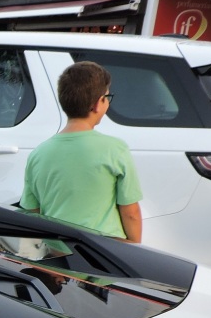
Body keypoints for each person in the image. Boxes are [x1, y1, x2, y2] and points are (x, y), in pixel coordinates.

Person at [20, 61, 142, 242]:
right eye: (107, 97)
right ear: (97, 104)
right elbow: (130, 213)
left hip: (59, 251)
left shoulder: (39, 154)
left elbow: (32, 212)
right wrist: (134, 248)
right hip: (104, 251)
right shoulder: (116, 150)